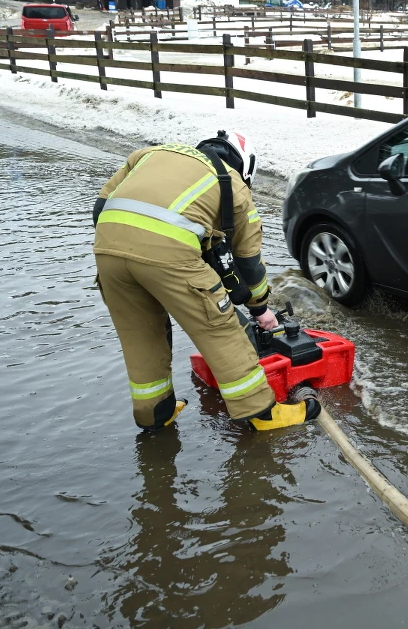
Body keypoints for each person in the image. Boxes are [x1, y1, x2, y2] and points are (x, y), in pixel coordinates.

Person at [92, 130, 319, 433]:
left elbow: (101, 207)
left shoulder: (150, 154)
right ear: (244, 167)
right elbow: (249, 264)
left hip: (108, 250)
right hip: (170, 254)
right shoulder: (234, 186)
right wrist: (260, 308)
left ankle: (155, 414)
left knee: (141, 335)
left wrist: (136, 257)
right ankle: (263, 414)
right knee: (221, 329)